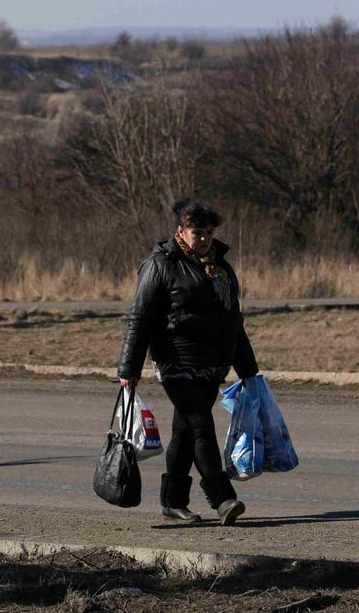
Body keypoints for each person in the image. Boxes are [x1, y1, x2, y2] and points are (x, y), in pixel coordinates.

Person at [116, 198, 259, 525]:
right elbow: (140, 318)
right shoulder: (160, 265)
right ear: (181, 231)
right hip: (176, 361)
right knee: (201, 426)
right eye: (198, 232)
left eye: (208, 232)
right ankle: (223, 498)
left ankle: (173, 502)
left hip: (212, 364)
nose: (204, 238)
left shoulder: (220, 267)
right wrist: (129, 368)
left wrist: (248, 369)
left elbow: (233, 321)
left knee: (185, 431)